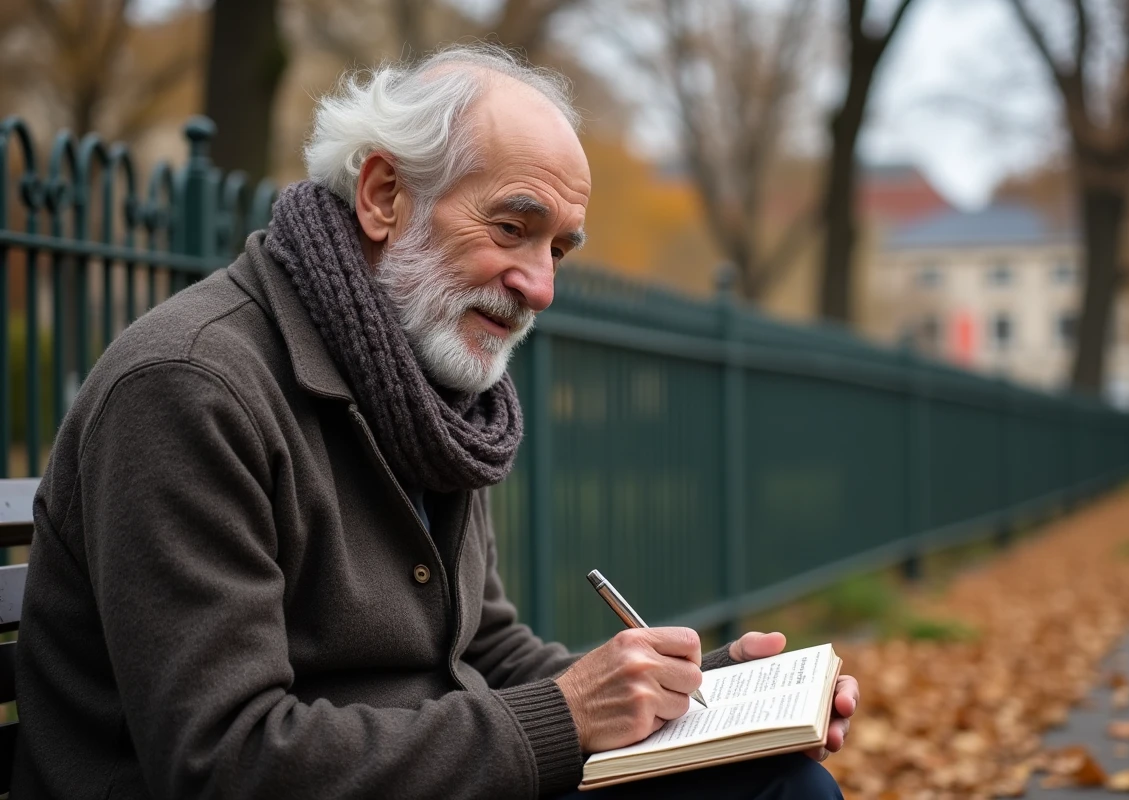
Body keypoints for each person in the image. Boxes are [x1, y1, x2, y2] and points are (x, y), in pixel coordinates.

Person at [13, 46, 857, 799]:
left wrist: (705, 699)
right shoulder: (191, 386)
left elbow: (482, 651)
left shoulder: (420, 384)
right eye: (513, 228)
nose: (540, 286)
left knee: (779, 779)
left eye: (557, 249)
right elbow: (223, 761)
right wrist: (565, 716)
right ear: (384, 195)